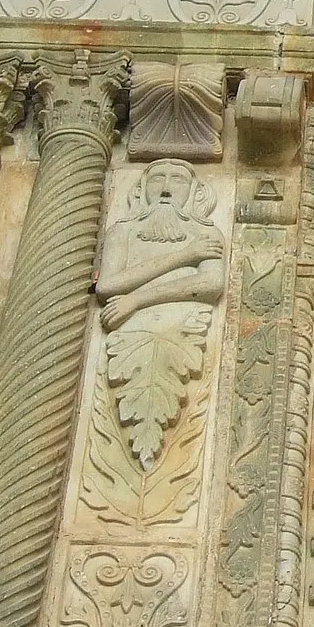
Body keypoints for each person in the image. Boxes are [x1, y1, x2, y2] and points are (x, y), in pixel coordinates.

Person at [94, 160, 227, 469]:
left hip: (178, 332)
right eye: (157, 180)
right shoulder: (123, 231)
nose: (166, 189)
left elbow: (210, 282)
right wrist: (186, 255)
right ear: (142, 190)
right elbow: (108, 285)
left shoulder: (206, 233)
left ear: (194, 192)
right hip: (132, 337)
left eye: (177, 180)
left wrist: (136, 300)